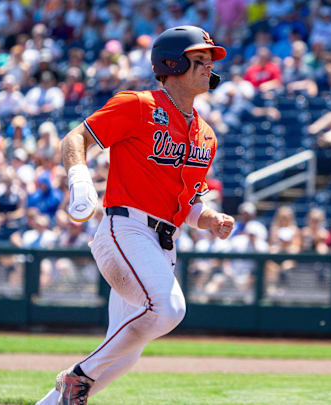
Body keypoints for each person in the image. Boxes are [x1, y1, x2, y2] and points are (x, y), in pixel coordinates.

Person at [36, 26, 235, 405]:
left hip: (162, 243)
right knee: (169, 309)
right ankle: (79, 376)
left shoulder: (206, 134)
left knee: (127, 355)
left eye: (210, 61)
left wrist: (208, 219)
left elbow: (187, 201)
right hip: (125, 230)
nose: (209, 66)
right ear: (172, 63)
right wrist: (80, 180)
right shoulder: (139, 104)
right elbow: (75, 139)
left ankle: (54, 401)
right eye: (200, 60)